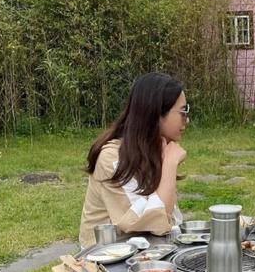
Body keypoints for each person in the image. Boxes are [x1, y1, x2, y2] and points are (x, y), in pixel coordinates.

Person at [79, 72, 188, 247]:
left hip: (144, 250)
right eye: (183, 112)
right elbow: (149, 224)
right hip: (104, 259)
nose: (187, 119)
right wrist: (169, 165)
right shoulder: (112, 159)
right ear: (156, 113)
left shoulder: (153, 148)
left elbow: (169, 220)